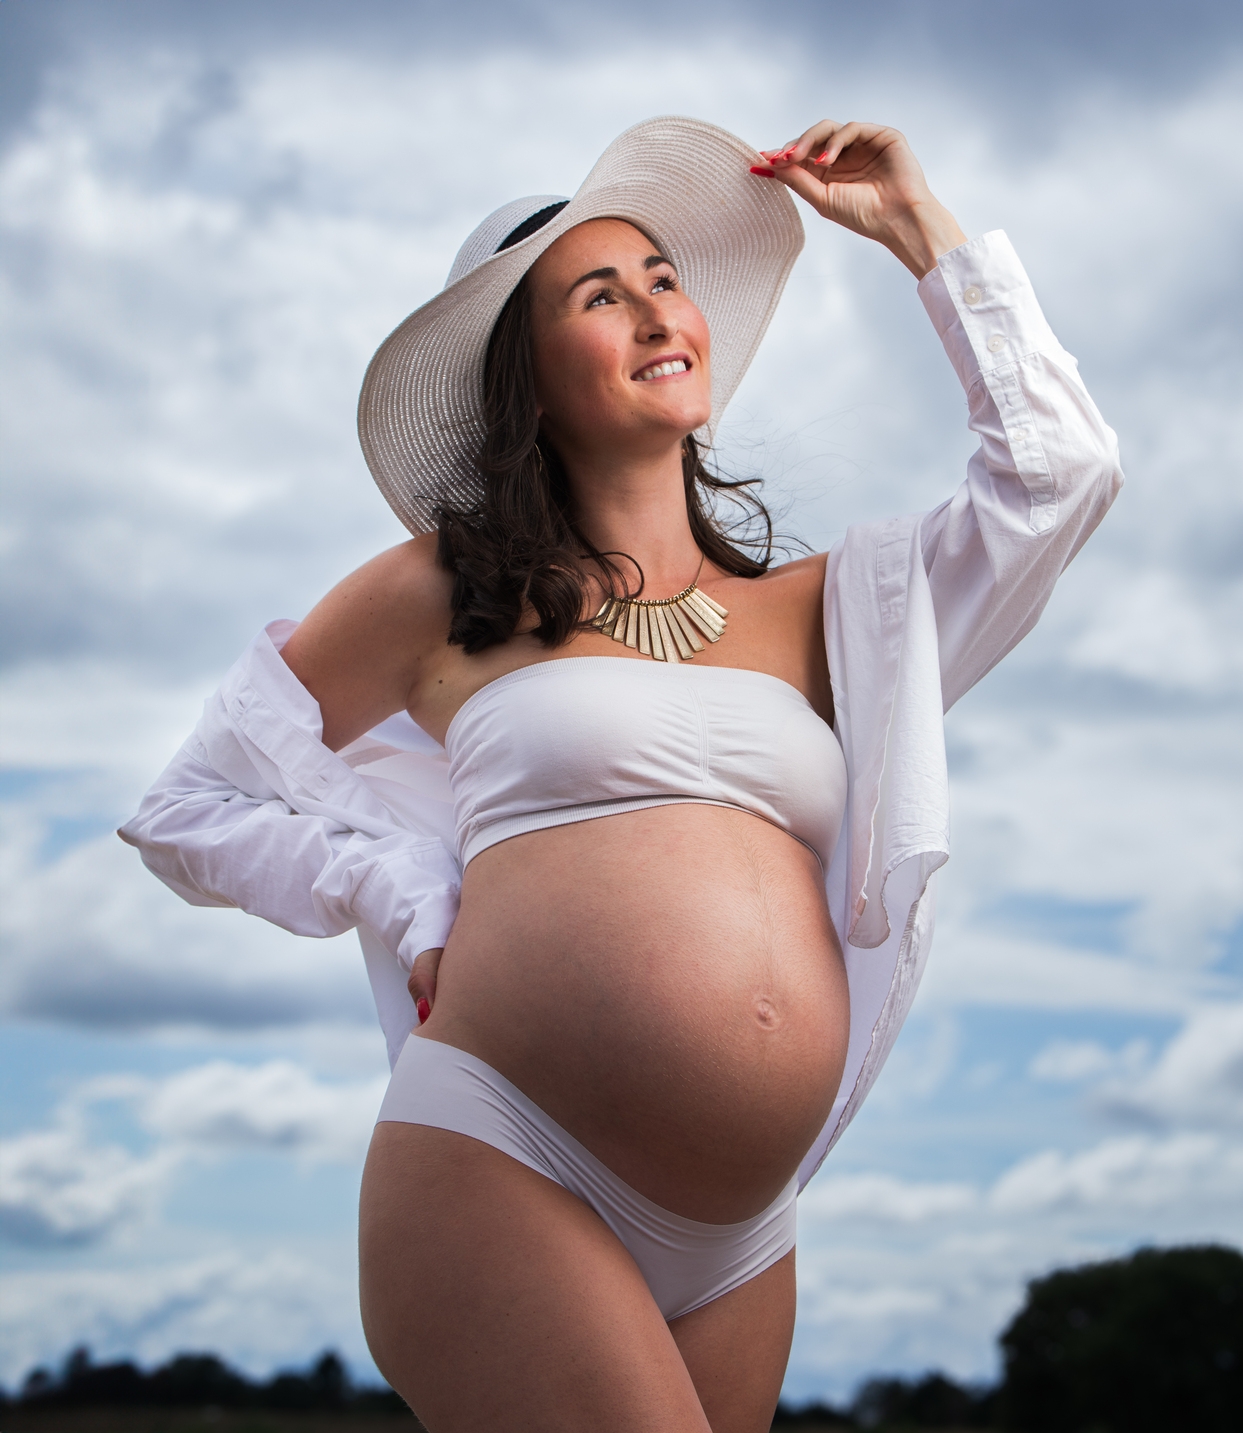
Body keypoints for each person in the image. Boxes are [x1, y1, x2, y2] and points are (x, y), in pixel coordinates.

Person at [120, 115, 1122, 1432]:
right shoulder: (445, 594)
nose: (656, 309)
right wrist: (400, 876)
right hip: (503, 1150)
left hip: (741, 1229)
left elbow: (1061, 475)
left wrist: (920, 230)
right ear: (525, 382)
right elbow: (190, 806)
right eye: (602, 295)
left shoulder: (843, 611)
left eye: (664, 278)